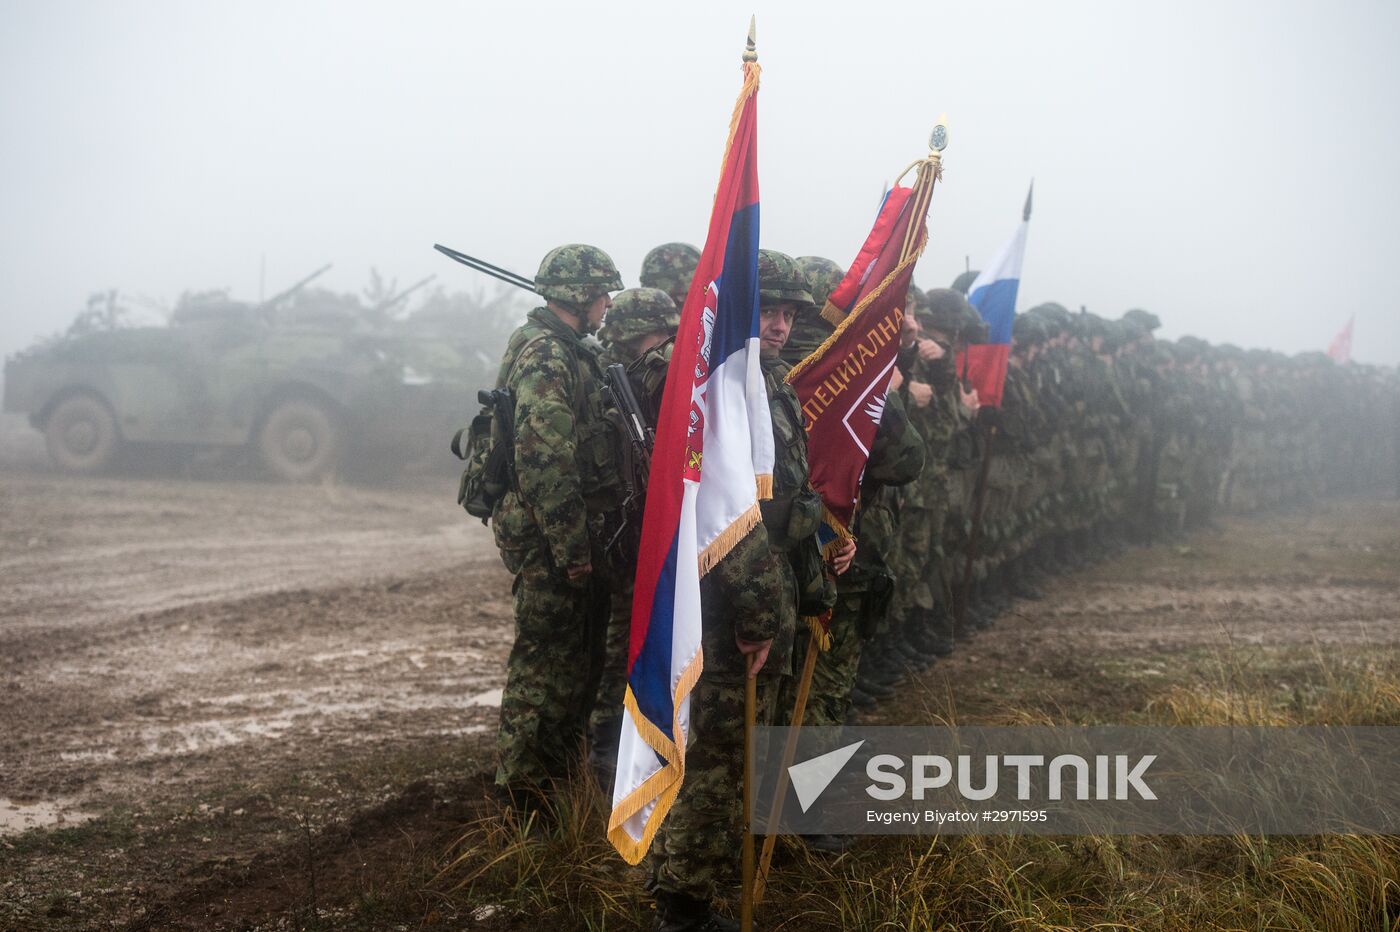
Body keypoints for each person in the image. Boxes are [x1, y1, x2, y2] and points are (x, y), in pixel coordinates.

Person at [647, 249, 835, 932]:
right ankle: (682, 904)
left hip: (769, 589)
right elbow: (732, 512)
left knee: (737, 754)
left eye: (789, 312)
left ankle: (687, 879)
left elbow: (790, 499)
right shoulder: (725, 383)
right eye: (768, 309)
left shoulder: (772, 380)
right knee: (719, 758)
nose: (781, 323)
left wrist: (810, 584)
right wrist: (759, 610)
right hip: (727, 602)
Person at [489, 243, 624, 812]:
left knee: (578, 664)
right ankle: (522, 796)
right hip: (552, 537)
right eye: (602, 294)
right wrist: (573, 550)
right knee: (544, 666)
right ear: (581, 297)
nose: (608, 303)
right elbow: (546, 463)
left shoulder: (571, 348)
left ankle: (558, 783)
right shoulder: (546, 354)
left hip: (572, 531)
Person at [587, 286, 680, 787]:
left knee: (629, 642)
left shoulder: (643, 374)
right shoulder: (648, 376)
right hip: (637, 535)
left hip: (641, 530)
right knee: (629, 642)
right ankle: (609, 754)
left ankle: (614, 749)